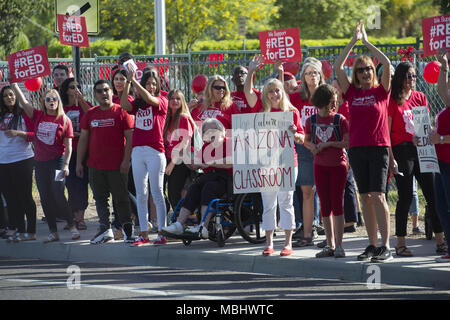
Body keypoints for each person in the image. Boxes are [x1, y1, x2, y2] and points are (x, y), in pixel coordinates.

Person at [334, 20, 393, 263]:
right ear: (356, 76)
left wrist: (367, 42)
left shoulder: (382, 91)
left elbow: (387, 64)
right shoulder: (352, 93)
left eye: (368, 69)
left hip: (379, 148)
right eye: (360, 71)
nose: (365, 73)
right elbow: (337, 66)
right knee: (366, 196)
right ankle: (372, 244)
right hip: (357, 149)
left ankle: (386, 246)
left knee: (379, 196)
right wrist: (353, 41)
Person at [244, 55, 305, 256]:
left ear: (282, 92)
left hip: (288, 161)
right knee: (268, 203)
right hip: (266, 163)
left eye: (277, 90)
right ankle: (269, 243)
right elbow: (247, 91)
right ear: (266, 94)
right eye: (270, 91)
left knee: (286, 202)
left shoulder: (292, 111)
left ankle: (288, 243)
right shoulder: (261, 110)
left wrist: (295, 132)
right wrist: (251, 70)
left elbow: (301, 138)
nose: (274, 94)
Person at [388, 61, 446, 257]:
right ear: (400, 78)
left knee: (432, 195)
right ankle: (401, 243)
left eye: (413, 76)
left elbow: (424, 124)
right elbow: (386, 132)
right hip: (401, 150)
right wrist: (391, 158)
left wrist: (426, 135)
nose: (411, 80)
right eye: (408, 76)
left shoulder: (420, 97)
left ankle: (440, 241)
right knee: (405, 197)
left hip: (422, 149)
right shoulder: (392, 100)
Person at [12, 84, 79, 242]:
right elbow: (23, 101)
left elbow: (69, 146)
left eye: (54, 99)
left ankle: (72, 225)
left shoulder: (64, 119)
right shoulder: (38, 115)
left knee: (58, 193)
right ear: (44, 102)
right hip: (41, 163)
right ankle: (53, 232)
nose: (51, 101)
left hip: (58, 161)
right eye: (48, 99)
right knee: (45, 197)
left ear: (58, 101)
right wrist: (14, 84)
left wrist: (66, 165)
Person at [76, 80, 135, 244]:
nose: (104, 93)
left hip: (117, 166)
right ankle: (105, 230)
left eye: (107, 90)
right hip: (95, 166)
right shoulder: (90, 114)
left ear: (111, 92)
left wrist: (126, 161)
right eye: (100, 91)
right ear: (95, 95)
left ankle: (128, 232)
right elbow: (83, 140)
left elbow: (130, 138)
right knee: (100, 199)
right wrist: (79, 163)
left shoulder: (121, 112)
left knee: (121, 198)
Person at [120, 63, 169, 246]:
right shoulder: (137, 104)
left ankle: (162, 232)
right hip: (138, 151)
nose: (151, 86)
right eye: (148, 83)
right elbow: (125, 104)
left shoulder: (162, 100)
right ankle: (143, 233)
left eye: (154, 83)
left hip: (155, 151)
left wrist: (135, 82)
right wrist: (127, 83)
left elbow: (150, 97)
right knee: (141, 193)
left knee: (157, 192)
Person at [162, 118, 233, 239]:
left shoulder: (229, 142)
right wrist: (184, 156)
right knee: (194, 187)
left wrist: (211, 163)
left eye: (211, 130)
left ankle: (203, 226)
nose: (208, 134)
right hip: (208, 177)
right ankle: (179, 224)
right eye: (205, 132)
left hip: (225, 178)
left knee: (208, 188)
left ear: (221, 130)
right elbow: (194, 165)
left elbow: (231, 162)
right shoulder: (206, 146)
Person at [290, 57, 325, 247]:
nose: (312, 76)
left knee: (326, 191)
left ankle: (329, 234)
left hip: (325, 149)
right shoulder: (297, 98)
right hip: (304, 149)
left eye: (315, 72)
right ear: (302, 77)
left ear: (320, 75)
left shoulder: (327, 95)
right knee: (306, 192)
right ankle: (307, 232)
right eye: (308, 73)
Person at [0, 85, 36, 242]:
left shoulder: (23, 114)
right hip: (3, 161)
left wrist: (18, 133)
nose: (9, 98)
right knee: (10, 197)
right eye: (6, 95)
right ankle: (16, 229)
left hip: (22, 159)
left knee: (25, 196)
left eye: (12, 95)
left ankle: (31, 231)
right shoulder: (1, 115)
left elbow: (35, 135)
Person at [60, 78, 93, 230]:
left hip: (83, 150)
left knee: (81, 183)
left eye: (78, 87)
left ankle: (80, 218)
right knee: (69, 185)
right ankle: (72, 216)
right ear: (66, 90)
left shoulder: (84, 105)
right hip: (65, 152)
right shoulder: (62, 108)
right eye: (72, 87)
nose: (75, 89)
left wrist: (81, 100)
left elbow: (92, 115)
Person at [163, 89, 195, 212]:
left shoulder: (183, 118)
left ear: (182, 101)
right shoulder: (168, 118)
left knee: (174, 192)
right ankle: (171, 216)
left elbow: (185, 142)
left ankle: (179, 221)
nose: (175, 101)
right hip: (167, 158)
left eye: (178, 99)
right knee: (161, 190)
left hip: (179, 161)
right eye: (172, 98)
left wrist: (172, 163)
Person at [432, 48, 450, 263]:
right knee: (441, 206)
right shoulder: (446, 106)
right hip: (440, 163)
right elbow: (441, 89)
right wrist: (444, 65)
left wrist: (442, 139)